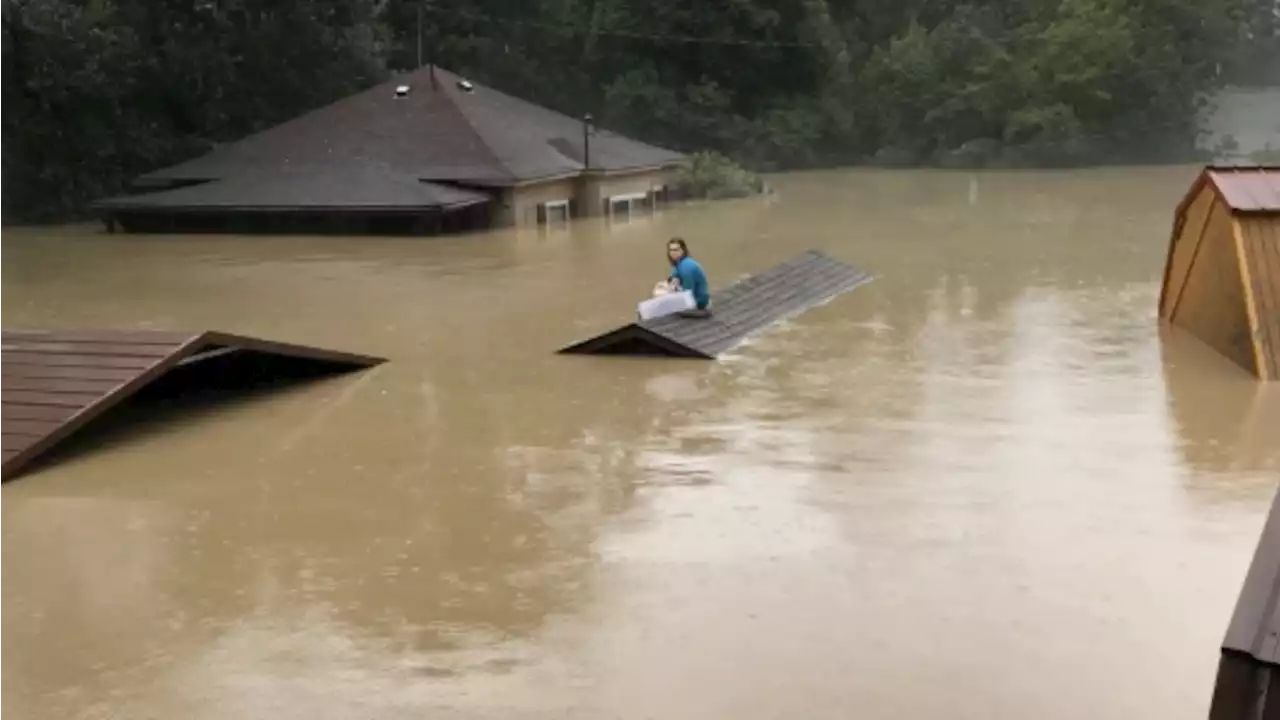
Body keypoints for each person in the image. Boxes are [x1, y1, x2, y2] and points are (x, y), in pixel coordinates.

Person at [666, 237, 711, 317]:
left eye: (676, 250)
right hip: (691, 294)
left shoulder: (686, 267)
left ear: (683, 250)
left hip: (699, 302)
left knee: (661, 294)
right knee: (661, 287)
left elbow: (688, 293)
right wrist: (672, 283)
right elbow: (673, 276)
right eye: (671, 250)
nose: (673, 253)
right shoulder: (679, 263)